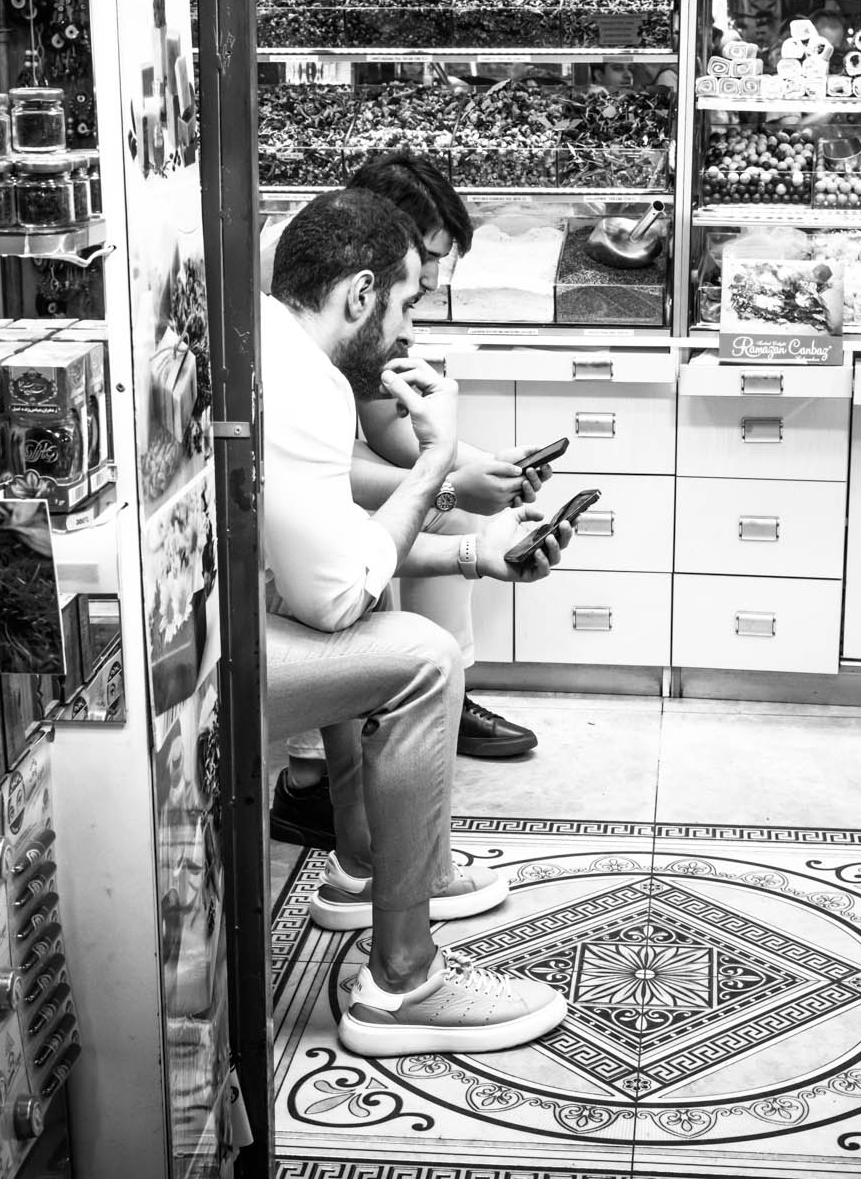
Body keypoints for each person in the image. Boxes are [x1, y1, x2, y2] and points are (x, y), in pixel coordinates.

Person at [262, 187, 572, 1055]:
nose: (405, 332)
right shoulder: (306, 385)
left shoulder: (266, 340)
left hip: (209, 627)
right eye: (404, 303)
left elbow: (324, 555)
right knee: (424, 656)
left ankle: (367, 873)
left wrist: (479, 555)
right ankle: (403, 983)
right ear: (360, 295)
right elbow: (336, 598)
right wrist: (438, 457)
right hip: (198, 675)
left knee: (395, 628)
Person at [265, 154, 557, 852]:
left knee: (415, 553)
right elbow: (333, 489)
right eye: (418, 284)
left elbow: (385, 417)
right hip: (258, 614)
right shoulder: (299, 329)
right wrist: (443, 480)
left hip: (283, 556)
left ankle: (362, 825)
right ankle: (339, 793)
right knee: (407, 641)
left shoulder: (337, 316)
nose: (420, 308)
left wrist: (478, 468)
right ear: (366, 265)